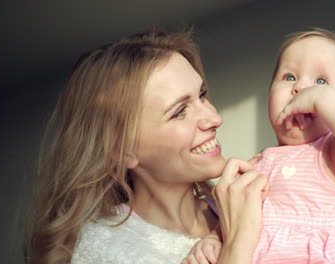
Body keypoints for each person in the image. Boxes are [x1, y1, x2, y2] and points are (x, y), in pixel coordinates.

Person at [24, 27, 268, 264]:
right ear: (122, 150)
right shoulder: (105, 250)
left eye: (202, 95)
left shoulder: (238, 206)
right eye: (180, 111)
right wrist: (238, 241)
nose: (215, 119)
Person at [186, 28, 335, 263]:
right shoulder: (258, 163)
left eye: (321, 82)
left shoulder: (334, 152)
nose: (300, 88)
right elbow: (236, 216)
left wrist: (322, 99)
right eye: (289, 77)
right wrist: (214, 239)